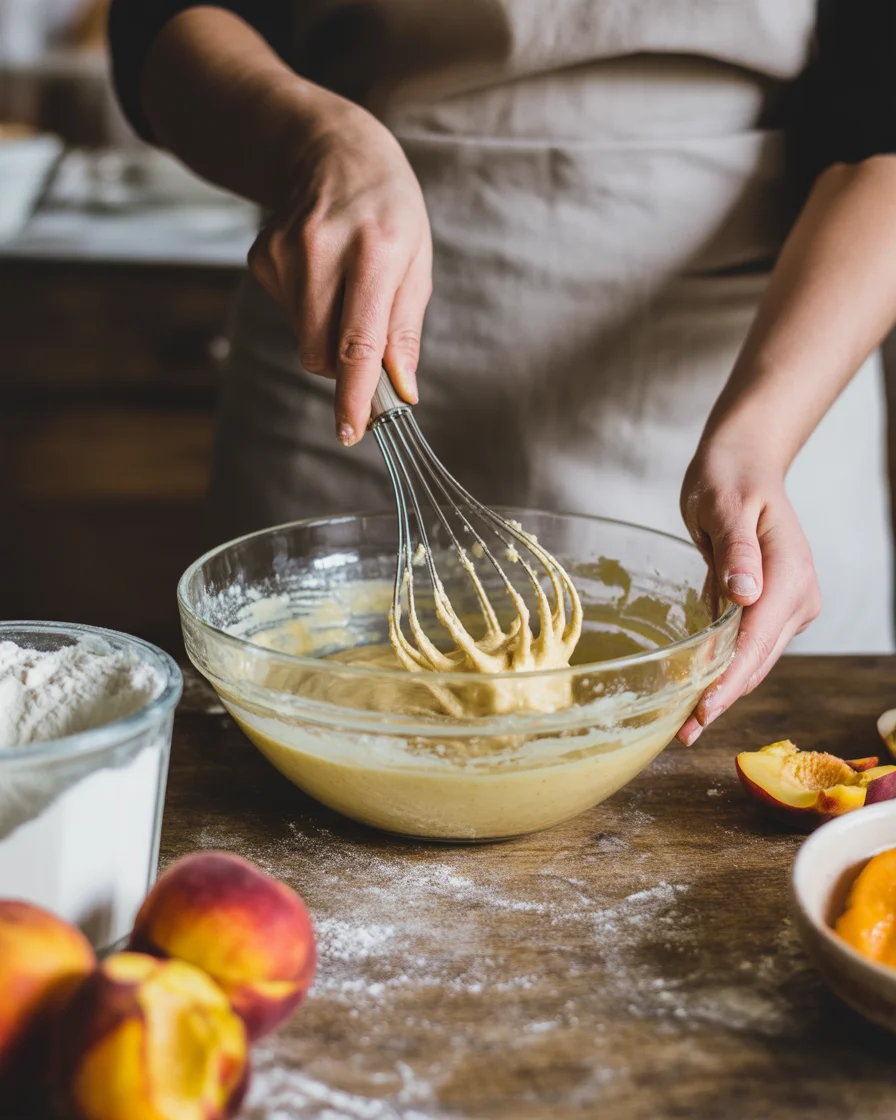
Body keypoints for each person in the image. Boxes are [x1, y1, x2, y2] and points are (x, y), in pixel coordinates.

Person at [109, 1, 896, 743]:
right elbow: (162, 21)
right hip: (350, 347)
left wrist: (758, 439)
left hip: (763, 364)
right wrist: (314, 139)